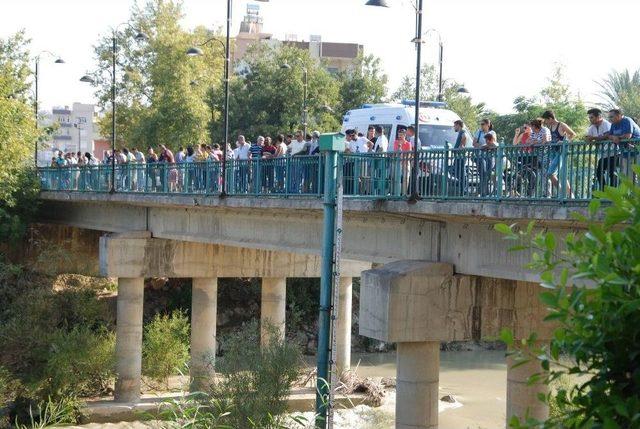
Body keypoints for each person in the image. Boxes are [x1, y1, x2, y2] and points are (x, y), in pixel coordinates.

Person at [541, 110, 576, 198]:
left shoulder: (561, 125)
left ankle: (565, 194)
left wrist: (564, 141)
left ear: (550, 118)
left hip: (561, 152)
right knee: (560, 174)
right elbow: (553, 139)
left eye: (546, 120)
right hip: (553, 152)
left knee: (551, 173)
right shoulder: (550, 127)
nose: (546, 122)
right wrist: (548, 142)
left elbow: (573, 134)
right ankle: (567, 194)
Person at [605, 109, 640, 182]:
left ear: (618, 116)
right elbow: (609, 135)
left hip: (636, 151)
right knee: (627, 176)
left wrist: (618, 137)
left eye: (611, 117)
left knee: (636, 175)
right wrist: (614, 137)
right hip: (625, 152)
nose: (609, 119)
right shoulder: (613, 124)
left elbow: (628, 135)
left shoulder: (627, 120)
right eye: (609, 117)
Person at [585, 108, 614, 189]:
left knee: (612, 173)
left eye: (592, 117)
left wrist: (594, 138)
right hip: (603, 154)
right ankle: (605, 191)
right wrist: (590, 139)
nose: (590, 119)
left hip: (613, 152)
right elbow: (587, 138)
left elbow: (607, 136)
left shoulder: (606, 124)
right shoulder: (592, 127)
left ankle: (613, 193)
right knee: (599, 172)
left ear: (599, 117)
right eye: (589, 117)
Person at [473, 119, 497, 196]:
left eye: (483, 124)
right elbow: (474, 143)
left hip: (490, 156)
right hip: (480, 156)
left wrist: (485, 146)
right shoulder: (479, 132)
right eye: (481, 124)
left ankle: (483, 192)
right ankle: (483, 193)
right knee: (483, 172)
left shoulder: (492, 133)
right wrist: (482, 147)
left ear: (488, 125)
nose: (481, 126)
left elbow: (493, 144)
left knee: (488, 174)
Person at [451, 120, 471, 196]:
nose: (454, 127)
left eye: (455, 125)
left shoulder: (462, 131)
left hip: (461, 156)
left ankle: (464, 190)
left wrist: (461, 147)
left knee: (461, 173)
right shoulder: (460, 132)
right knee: (457, 171)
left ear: (458, 125)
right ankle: (463, 189)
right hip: (458, 156)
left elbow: (464, 137)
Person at [393, 128, 412, 196]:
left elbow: (409, 154)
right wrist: (399, 147)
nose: (399, 136)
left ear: (404, 135)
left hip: (406, 162)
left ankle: (404, 194)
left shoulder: (408, 143)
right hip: (398, 162)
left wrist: (403, 158)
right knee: (396, 178)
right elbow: (396, 152)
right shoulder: (396, 142)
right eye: (399, 135)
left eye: (401, 135)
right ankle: (396, 194)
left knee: (406, 178)